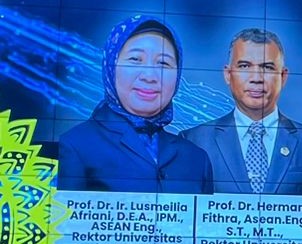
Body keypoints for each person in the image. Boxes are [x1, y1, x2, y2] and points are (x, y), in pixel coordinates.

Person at [58, 15, 213, 193]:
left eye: (163, 63)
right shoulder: (76, 144)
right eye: (135, 60)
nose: (149, 76)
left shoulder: (196, 158)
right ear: (111, 66)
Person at [182, 28, 302, 196]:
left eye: (267, 67)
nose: (256, 78)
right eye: (244, 66)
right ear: (228, 74)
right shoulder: (194, 141)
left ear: (283, 76)